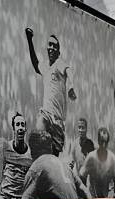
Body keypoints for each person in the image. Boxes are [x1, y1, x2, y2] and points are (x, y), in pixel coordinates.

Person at [25, 28, 76, 156]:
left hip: (58, 120)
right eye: (49, 45)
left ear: (58, 51)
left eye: (54, 45)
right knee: (39, 133)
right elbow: (36, 64)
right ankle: (36, 162)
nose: (51, 48)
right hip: (46, 114)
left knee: (53, 155)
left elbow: (69, 71)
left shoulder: (59, 63)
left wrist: (71, 86)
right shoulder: (46, 66)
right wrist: (29, 40)